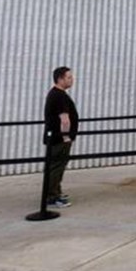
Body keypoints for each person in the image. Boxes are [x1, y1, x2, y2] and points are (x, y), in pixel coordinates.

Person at [44, 66, 79, 209]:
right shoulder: (59, 96)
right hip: (59, 139)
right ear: (60, 79)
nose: (72, 80)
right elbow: (64, 119)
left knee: (56, 166)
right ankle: (52, 197)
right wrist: (66, 136)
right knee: (56, 167)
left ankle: (55, 192)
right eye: (69, 77)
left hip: (55, 137)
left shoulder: (56, 94)